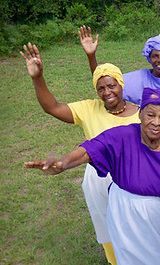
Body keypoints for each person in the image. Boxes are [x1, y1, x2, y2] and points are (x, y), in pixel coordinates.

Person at [24, 88, 160, 265]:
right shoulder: (121, 136)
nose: (156, 122)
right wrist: (63, 164)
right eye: (150, 115)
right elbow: (87, 151)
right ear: (140, 114)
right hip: (130, 219)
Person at [20, 43, 140, 265]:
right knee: (108, 229)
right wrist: (38, 78)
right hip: (99, 182)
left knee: (135, 231)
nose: (107, 93)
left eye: (111, 86)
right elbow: (52, 107)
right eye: (101, 89)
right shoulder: (89, 109)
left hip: (133, 181)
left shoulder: (141, 114)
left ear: (121, 84)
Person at [79, 26, 160, 139]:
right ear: (149, 58)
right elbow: (104, 81)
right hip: (144, 133)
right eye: (155, 56)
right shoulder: (138, 78)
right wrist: (91, 56)